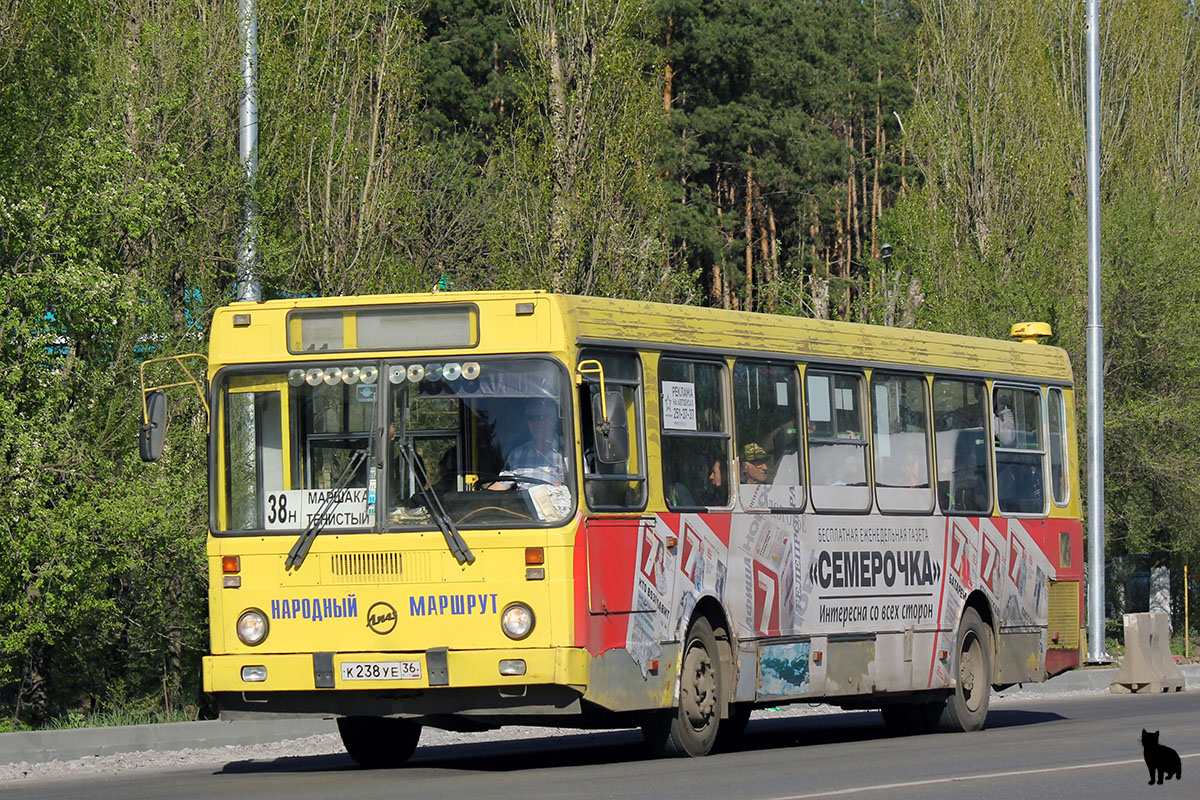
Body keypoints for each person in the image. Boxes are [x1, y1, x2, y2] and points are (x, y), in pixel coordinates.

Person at [489, 398, 567, 489]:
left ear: (553, 419)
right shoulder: (517, 454)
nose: (535, 423)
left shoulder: (569, 453)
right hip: (522, 502)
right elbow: (502, 484)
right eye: (531, 418)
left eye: (540, 417)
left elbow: (586, 485)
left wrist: (564, 488)